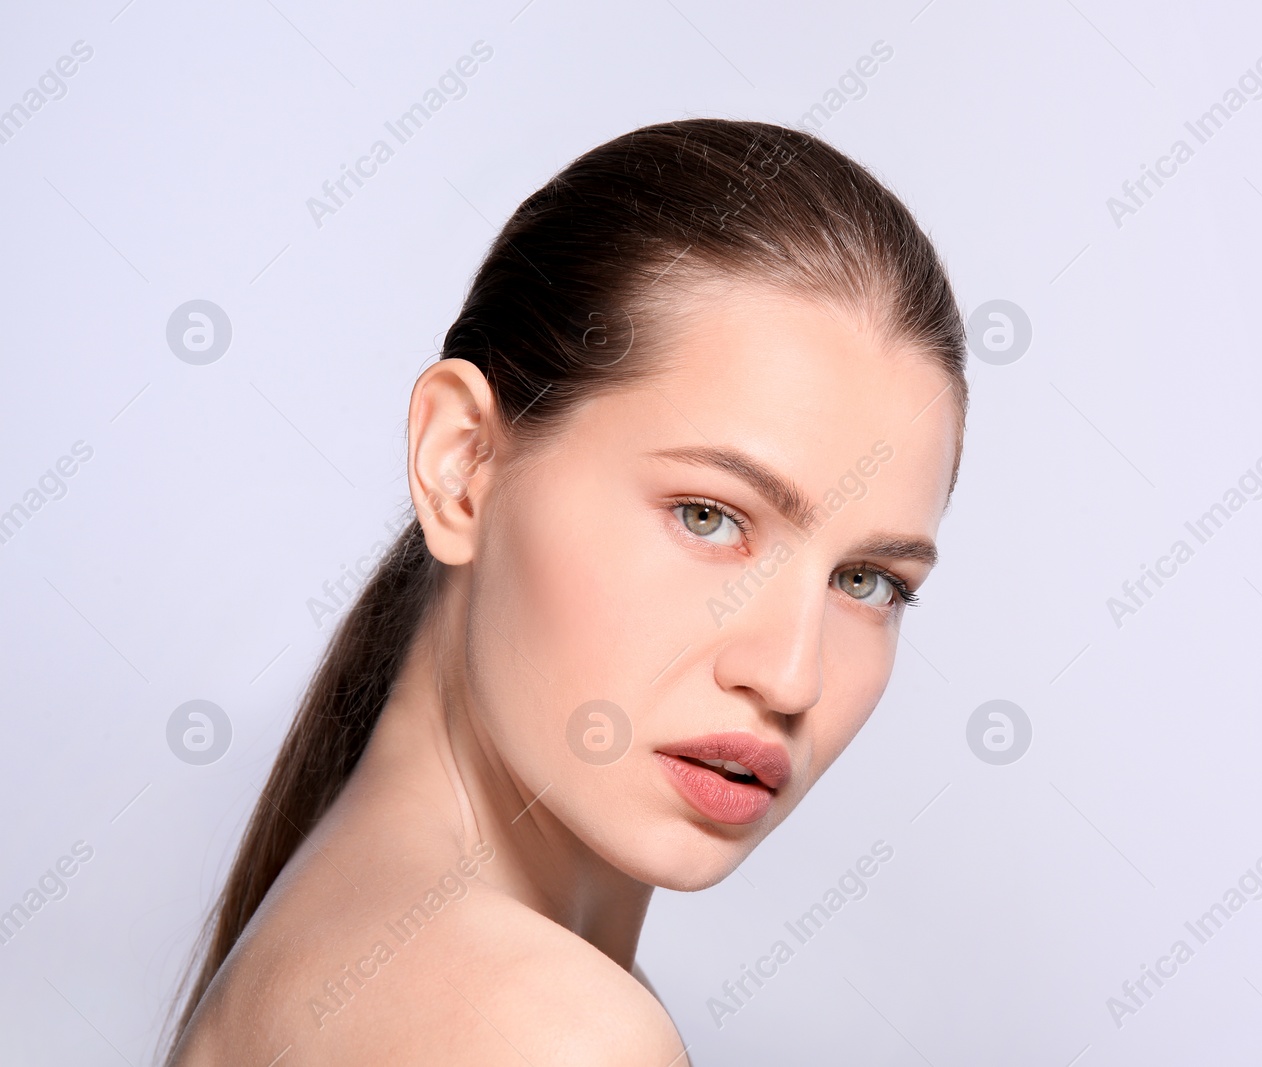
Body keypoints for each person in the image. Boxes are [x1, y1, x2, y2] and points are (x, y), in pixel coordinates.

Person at [167, 117, 970, 1065]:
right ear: (460, 463)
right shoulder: (547, 1029)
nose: (792, 677)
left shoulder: (343, 941)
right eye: (710, 517)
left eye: (866, 580)